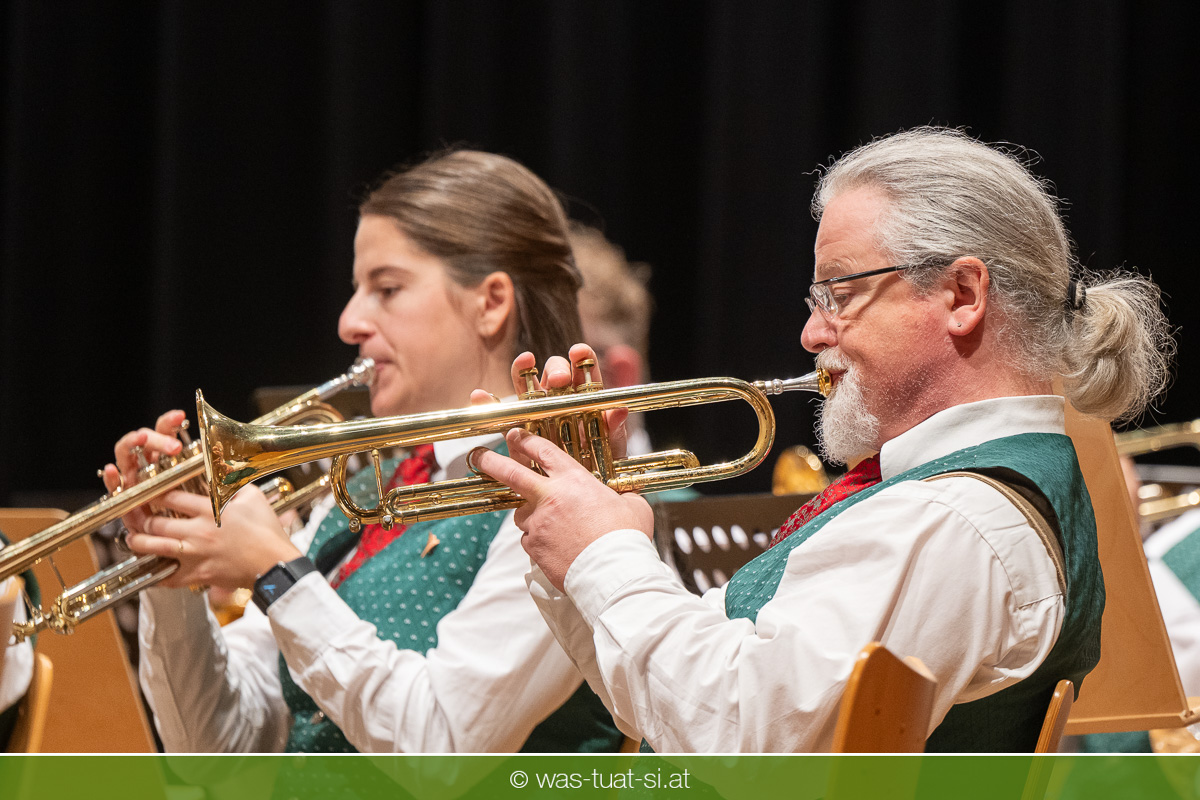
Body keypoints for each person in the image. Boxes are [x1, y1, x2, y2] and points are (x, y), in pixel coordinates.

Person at [473, 127, 1174, 752]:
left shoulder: (951, 517)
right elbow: (676, 707)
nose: (812, 334)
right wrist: (573, 538)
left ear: (961, 295)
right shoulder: (956, 495)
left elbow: (741, 734)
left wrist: (604, 553)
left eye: (839, 294)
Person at [104, 150, 622, 757]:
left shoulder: (561, 500)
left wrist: (277, 570)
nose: (349, 322)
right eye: (358, 291)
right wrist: (171, 562)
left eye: (387, 288)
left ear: (491, 303)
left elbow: (440, 748)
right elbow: (218, 753)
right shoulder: (361, 490)